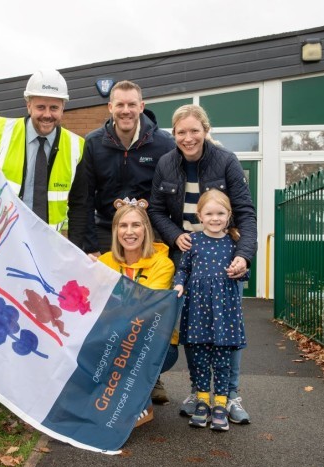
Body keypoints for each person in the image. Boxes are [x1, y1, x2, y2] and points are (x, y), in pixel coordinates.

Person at [0, 69, 85, 416]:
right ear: (28, 103)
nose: (47, 115)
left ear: (63, 108)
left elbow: (80, 203)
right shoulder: (3, 134)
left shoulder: (78, 146)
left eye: (55, 108)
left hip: (48, 249)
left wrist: (74, 251)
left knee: (44, 319)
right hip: (3, 244)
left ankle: (34, 391)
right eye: (41, 106)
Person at [67, 80, 176, 404]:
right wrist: (87, 247)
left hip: (149, 231)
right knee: (107, 306)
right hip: (105, 230)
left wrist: (168, 237)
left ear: (141, 106)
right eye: (120, 104)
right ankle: (105, 374)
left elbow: (171, 195)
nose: (126, 110)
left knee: (149, 305)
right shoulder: (93, 143)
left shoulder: (163, 143)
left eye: (132, 104)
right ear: (110, 108)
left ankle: (151, 376)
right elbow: (83, 199)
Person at [148, 104, 257, 424]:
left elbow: (245, 212)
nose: (188, 137)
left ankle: (231, 394)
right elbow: (155, 210)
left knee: (228, 331)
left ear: (206, 131)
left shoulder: (227, 162)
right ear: (174, 134)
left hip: (225, 257)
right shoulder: (166, 164)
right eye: (181, 132)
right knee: (190, 330)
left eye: (194, 130)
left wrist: (244, 254)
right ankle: (199, 393)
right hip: (187, 256)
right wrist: (174, 236)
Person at [172, 189, 248, 431]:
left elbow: (244, 272)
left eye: (220, 213)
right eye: (210, 213)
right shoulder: (192, 241)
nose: (215, 218)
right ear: (199, 215)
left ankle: (221, 403)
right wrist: (179, 283)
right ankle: (203, 400)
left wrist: (240, 270)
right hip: (197, 309)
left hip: (225, 310)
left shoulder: (234, 242)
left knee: (223, 357)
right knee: (199, 356)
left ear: (228, 215)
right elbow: (184, 269)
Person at [95, 198, 175, 427]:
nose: (129, 232)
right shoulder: (103, 262)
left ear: (146, 230)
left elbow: (146, 310)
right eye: (123, 226)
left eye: (136, 225)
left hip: (153, 342)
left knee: (130, 343)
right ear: (115, 231)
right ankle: (111, 399)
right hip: (112, 337)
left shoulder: (163, 264)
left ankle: (138, 402)